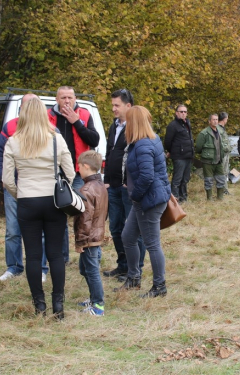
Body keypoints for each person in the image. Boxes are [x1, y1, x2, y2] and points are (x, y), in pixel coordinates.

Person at [3, 97, 75, 319]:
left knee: (33, 256)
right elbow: (70, 172)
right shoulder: (55, 139)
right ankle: (58, 303)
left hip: (28, 200)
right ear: (45, 115)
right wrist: (62, 191)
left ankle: (39, 304)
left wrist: (19, 194)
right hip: (53, 200)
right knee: (55, 254)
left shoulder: (13, 141)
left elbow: (7, 179)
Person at [115, 106, 171, 298]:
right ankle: (133, 278)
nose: (125, 125)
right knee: (128, 237)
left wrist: (135, 195)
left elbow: (147, 176)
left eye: (128, 121)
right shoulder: (147, 141)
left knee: (152, 243)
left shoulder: (144, 145)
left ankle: (159, 286)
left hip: (149, 200)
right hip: (146, 198)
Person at [0, 93, 48, 282]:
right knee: (12, 229)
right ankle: (14, 266)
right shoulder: (10, 127)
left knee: (39, 230)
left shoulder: (48, 128)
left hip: (37, 188)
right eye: (27, 105)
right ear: (21, 108)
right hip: (14, 186)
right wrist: (4, 178)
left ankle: (41, 267)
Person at [48, 86, 100, 265]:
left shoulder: (84, 114)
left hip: (79, 172)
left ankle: (88, 254)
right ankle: (63, 257)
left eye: (70, 97)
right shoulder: (48, 116)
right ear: (57, 99)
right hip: (56, 173)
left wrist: (77, 122)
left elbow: (94, 140)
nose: (67, 101)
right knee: (59, 214)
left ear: (75, 98)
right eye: (63, 97)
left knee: (83, 213)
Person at [102, 89, 146, 282]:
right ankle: (122, 265)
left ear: (128, 106)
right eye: (112, 105)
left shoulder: (137, 128)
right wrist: (105, 179)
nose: (113, 109)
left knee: (134, 231)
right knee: (116, 228)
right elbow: (110, 152)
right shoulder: (114, 126)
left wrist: (132, 184)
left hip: (129, 188)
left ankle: (135, 269)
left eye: (117, 105)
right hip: (112, 185)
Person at [74, 151, 108, 316]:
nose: (78, 169)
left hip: (89, 239)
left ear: (86, 166)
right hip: (97, 235)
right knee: (85, 269)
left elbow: (84, 220)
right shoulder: (101, 185)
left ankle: (98, 306)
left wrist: (81, 242)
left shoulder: (86, 190)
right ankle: (94, 297)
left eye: (79, 166)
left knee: (92, 270)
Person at [164, 104, 194, 203]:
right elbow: (167, 142)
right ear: (177, 113)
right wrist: (171, 151)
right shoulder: (173, 125)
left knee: (185, 179)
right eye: (181, 111)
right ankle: (174, 201)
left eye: (185, 112)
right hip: (179, 157)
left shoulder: (187, 123)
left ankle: (183, 198)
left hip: (188, 156)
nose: (183, 113)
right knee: (177, 180)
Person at [195, 114, 227, 200]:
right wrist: (207, 153)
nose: (215, 121)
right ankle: (209, 198)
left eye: (216, 119)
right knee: (208, 180)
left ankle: (220, 198)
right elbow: (198, 147)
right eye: (213, 119)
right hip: (208, 161)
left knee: (221, 178)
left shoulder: (220, 132)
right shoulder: (204, 133)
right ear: (209, 121)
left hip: (219, 160)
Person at [218, 112, 232, 194]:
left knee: (225, 171)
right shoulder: (218, 129)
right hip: (221, 154)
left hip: (225, 153)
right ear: (225, 119)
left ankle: (224, 189)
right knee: (221, 172)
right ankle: (222, 190)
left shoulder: (222, 128)